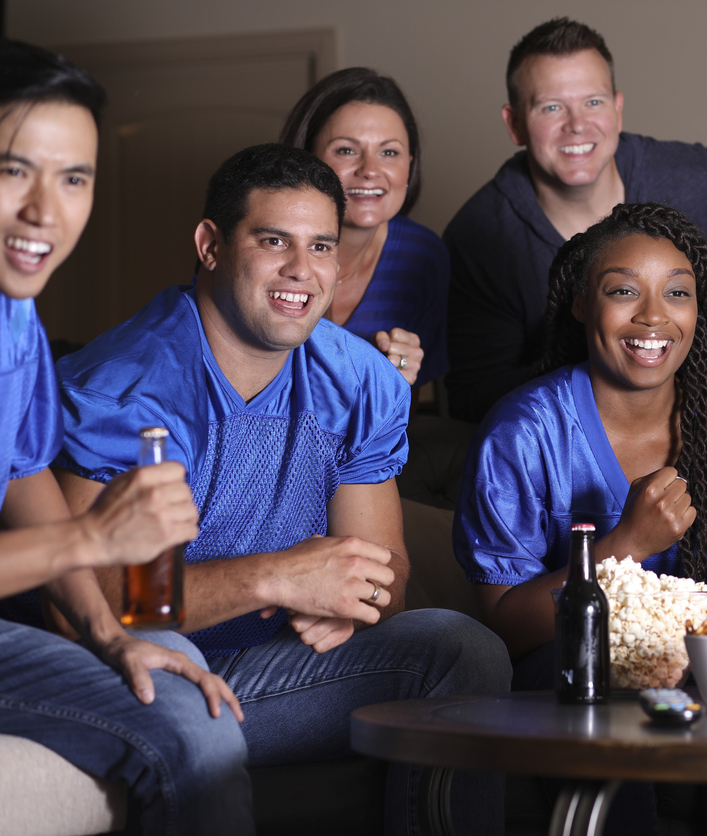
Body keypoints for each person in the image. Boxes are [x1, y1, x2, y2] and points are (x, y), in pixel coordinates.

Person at [49, 143, 512, 834]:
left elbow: (384, 572)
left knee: (462, 648)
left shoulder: (361, 380)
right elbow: (85, 608)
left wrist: (351, 603)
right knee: (170, 664)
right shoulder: (122, 384)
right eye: (274, 241)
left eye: (322, 246)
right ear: (210, 245)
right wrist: (277, 578)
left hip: (281, 670)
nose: (303, 271)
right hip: (142, 675)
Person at [454, 202, 707, 835]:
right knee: (606, 672)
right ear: (580, 304)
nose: (653, 316)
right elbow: (505, 625)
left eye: (678, 293)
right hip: (567, 665)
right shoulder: (524, 432)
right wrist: (625, 545)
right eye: (623, 291)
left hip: (706, 663)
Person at [0, 38, 253, 835]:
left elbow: (21, 475)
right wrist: (95, 535)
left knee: (197, 715)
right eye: (12, 170)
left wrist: (108, 638)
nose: (46, 210)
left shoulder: (16, 320)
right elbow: (69, 527)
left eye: (74, 178)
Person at [443, 17, 707, 424]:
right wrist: (604, 366)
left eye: (593, 102)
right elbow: (474, 395)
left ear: (617, 109)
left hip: (687, 425)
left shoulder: (702, 183)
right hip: (560, 440)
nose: (577, 125)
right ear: (515, 124)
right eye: (551, 107)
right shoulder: (478, 236)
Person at [279, 66, 448, 391]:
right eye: (346, 150)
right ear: (305, 156)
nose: (370, 170)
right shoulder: (256, 244)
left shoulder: (424, 256)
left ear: (410, 163)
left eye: (389, 152)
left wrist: (396, 379)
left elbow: (413, 408)